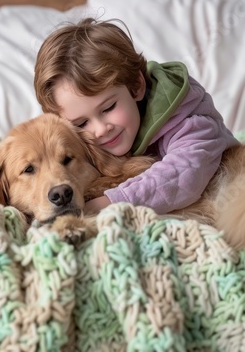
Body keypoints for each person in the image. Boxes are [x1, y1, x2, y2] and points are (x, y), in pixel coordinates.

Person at [34, 18, 239, 215]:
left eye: (108, 108)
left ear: (136, 87)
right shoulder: (83, 146)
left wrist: (108, 203)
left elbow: (185, 174)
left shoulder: (186, 116)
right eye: (81, 123)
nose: (100, 129)